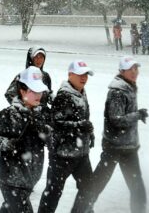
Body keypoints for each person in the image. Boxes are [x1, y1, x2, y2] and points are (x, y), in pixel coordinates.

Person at [0, 66, 51, 213]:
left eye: (40, 90)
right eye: (34, 90)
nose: (39, 95)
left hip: (30, 179)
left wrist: (47, 134)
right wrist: (7, 144)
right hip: (11, 181)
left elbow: (51, 139)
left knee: (8, 209)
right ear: (22, 91)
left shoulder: (41, 114)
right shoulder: (8, 115)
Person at [86, 56, 148, 213]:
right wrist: (137, 115)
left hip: (128, 147)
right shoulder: (118, 92)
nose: (135, 72)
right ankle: (83, 208)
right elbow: (116, 119)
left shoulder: (129, 87)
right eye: (131, 69)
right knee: (98, 183)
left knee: (138, 189)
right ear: (121, 71)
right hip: (115, 147)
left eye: (136, 68)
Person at [38, 60, 95, 213]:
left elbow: (83, 118)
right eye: (80, 74)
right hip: (62, 155)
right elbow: (57, 123)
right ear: (70, 74)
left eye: (86, 75)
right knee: (53, 192)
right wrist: (79, 126)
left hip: (81, 154)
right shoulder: (64, 95)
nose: (84, 78)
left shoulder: (81, 92)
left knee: (89, 188)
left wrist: (90, 133)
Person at [5, 47, 53, 112]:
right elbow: (9, 93)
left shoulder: (46, 76)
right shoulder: (23, 76)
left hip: (41, 115)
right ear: (31, 59)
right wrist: (21, 106)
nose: (39, 60)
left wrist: (50, 97)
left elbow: (48, 93)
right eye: (36, 57)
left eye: (41, 57)